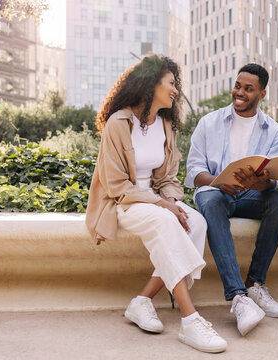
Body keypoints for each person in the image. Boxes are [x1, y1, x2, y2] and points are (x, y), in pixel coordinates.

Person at [85, 54, 227, 353]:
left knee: (196, 222)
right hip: (125, 201)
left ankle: (142, 301)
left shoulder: (166, 125)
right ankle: (190, 320)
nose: (176, 90)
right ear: (151, 84)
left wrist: (172, 202)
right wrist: (163, 207)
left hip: (157, 199)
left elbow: (169, 179)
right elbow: (117, 185)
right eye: (171, 83)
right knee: (165, 221)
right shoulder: (118, 122)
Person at [185, 63, 278, 336]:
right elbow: (194, 171)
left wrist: (261, 182)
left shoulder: (274, 131)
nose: (239, 93)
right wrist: (218, 181)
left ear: (262, 94)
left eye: (248, 89)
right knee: (211, 203)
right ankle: (238, 297)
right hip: (217, 192)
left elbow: (275, 178)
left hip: (252, 195)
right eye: (237, 86)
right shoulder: (209, 122)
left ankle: (255, 284)